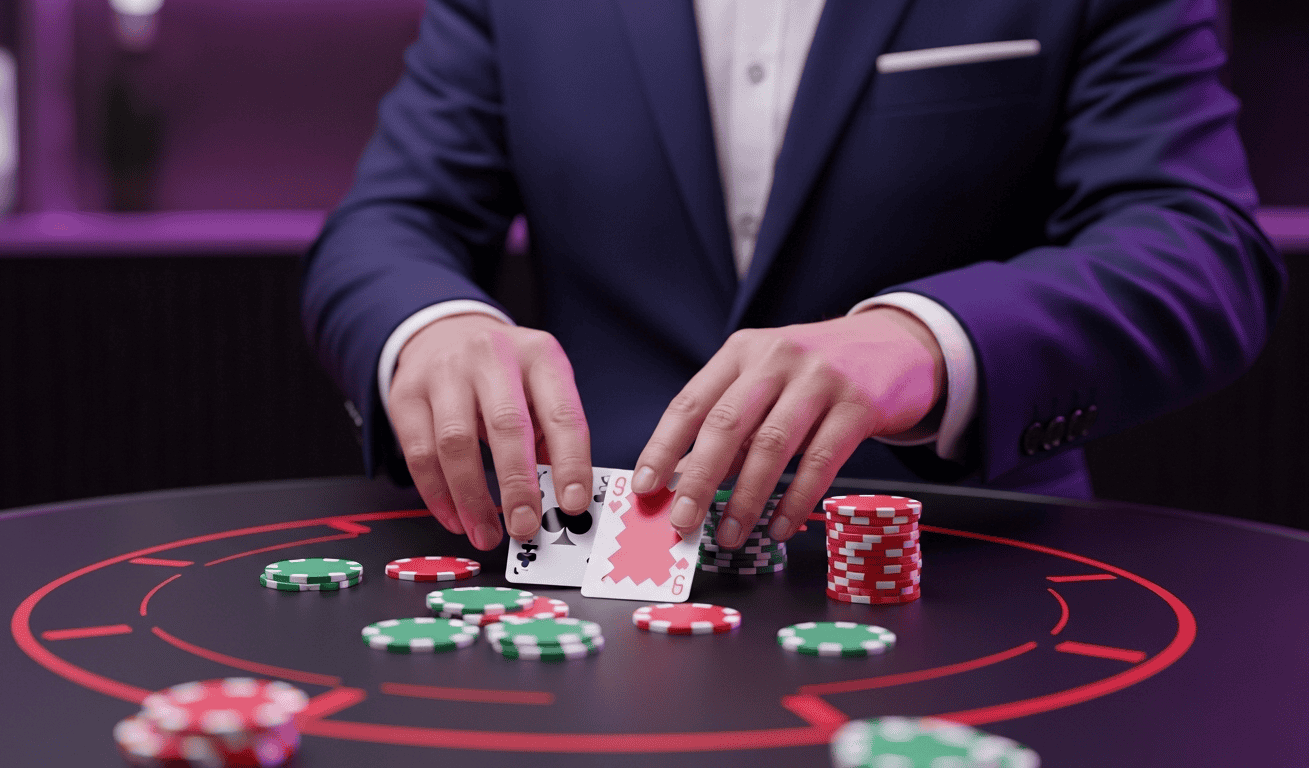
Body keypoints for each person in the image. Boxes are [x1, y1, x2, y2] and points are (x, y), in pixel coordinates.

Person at [302, 0, 1284, 552]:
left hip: (977, 565)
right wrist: (426, 323)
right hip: (585, 563)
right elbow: (393, 220)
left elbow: (1196, 243)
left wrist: (930, 340)